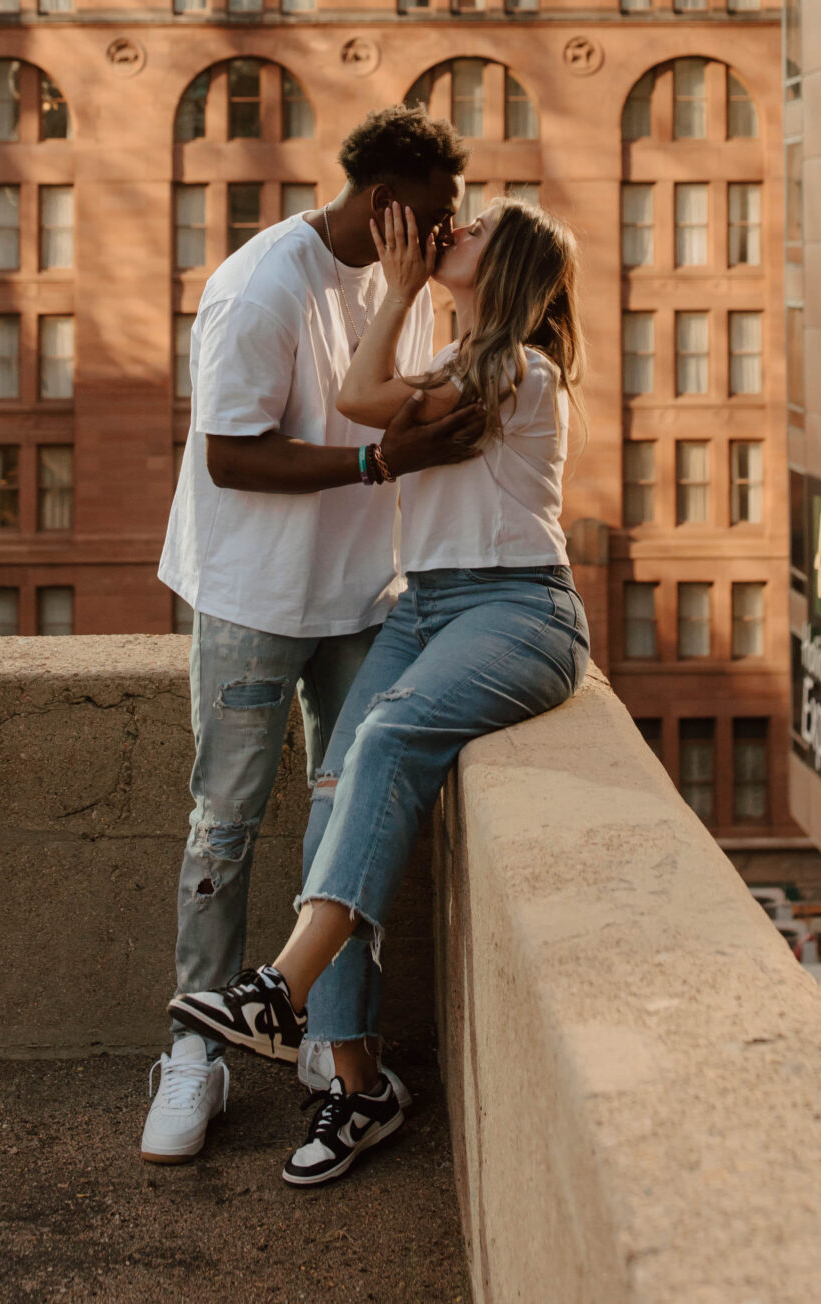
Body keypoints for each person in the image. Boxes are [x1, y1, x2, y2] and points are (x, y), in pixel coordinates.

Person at [170, 193, 590, 1186]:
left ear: (513, 268)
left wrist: (401, 289)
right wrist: (401, 290)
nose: (457, 228)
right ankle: (355, 1083)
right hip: (423, 608)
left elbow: (368, 404)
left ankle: (282, 983)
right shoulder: (457, 357)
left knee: (388, 739)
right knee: (332, 797)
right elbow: (363, 400)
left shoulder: (518, 370)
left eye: (476, 228)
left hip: (519, 610)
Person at [141, 103, 485, 1164]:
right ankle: (194, 1045)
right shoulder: (260, 287)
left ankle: (327, 1039)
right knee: (226, 821)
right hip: (251, 598)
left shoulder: (401, 287)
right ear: (385, 207)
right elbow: (230, 457)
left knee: (349, 824)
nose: (445, 234)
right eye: (432, 219)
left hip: (361, 598)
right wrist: (381, 465)